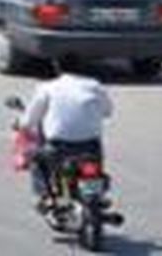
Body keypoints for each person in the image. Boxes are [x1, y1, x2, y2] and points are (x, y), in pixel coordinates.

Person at [19, 54, 113, 210]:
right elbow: (108, 111)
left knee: (36, 159)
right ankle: (96, 195)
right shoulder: (95, 86)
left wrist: (21, 125)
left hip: (59, 148)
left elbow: (29, 120)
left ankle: (45, 196)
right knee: (93, 168)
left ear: (57, 67)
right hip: (91, 147)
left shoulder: (48, 87)